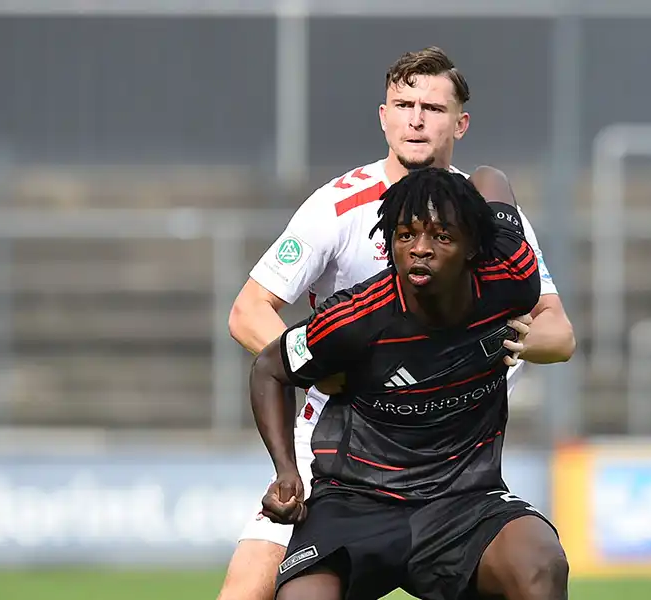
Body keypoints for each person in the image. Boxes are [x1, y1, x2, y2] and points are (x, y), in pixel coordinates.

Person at [219, 46, 575, 600]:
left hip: (458, 455)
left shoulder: (486, 217)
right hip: (341, 449)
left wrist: (503, 342)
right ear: (383, 115)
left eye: (431, 108)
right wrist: (330, 375)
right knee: (247, 590)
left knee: (534, 564)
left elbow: (556, 330)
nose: (414, 119)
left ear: (460, 122)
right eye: (402, 104)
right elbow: (248, 312)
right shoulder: (336, 209)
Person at [251, 166, 569, 600]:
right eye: (405, 236)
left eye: (441, 236)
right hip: (356, 498)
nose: (420, 250)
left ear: (474, 246)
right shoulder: (353, 318)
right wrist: (286, 471)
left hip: (465, 499)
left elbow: (492, 177)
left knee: (540, 564)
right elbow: (269, 368)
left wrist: (475, 182)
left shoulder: (512, 275)